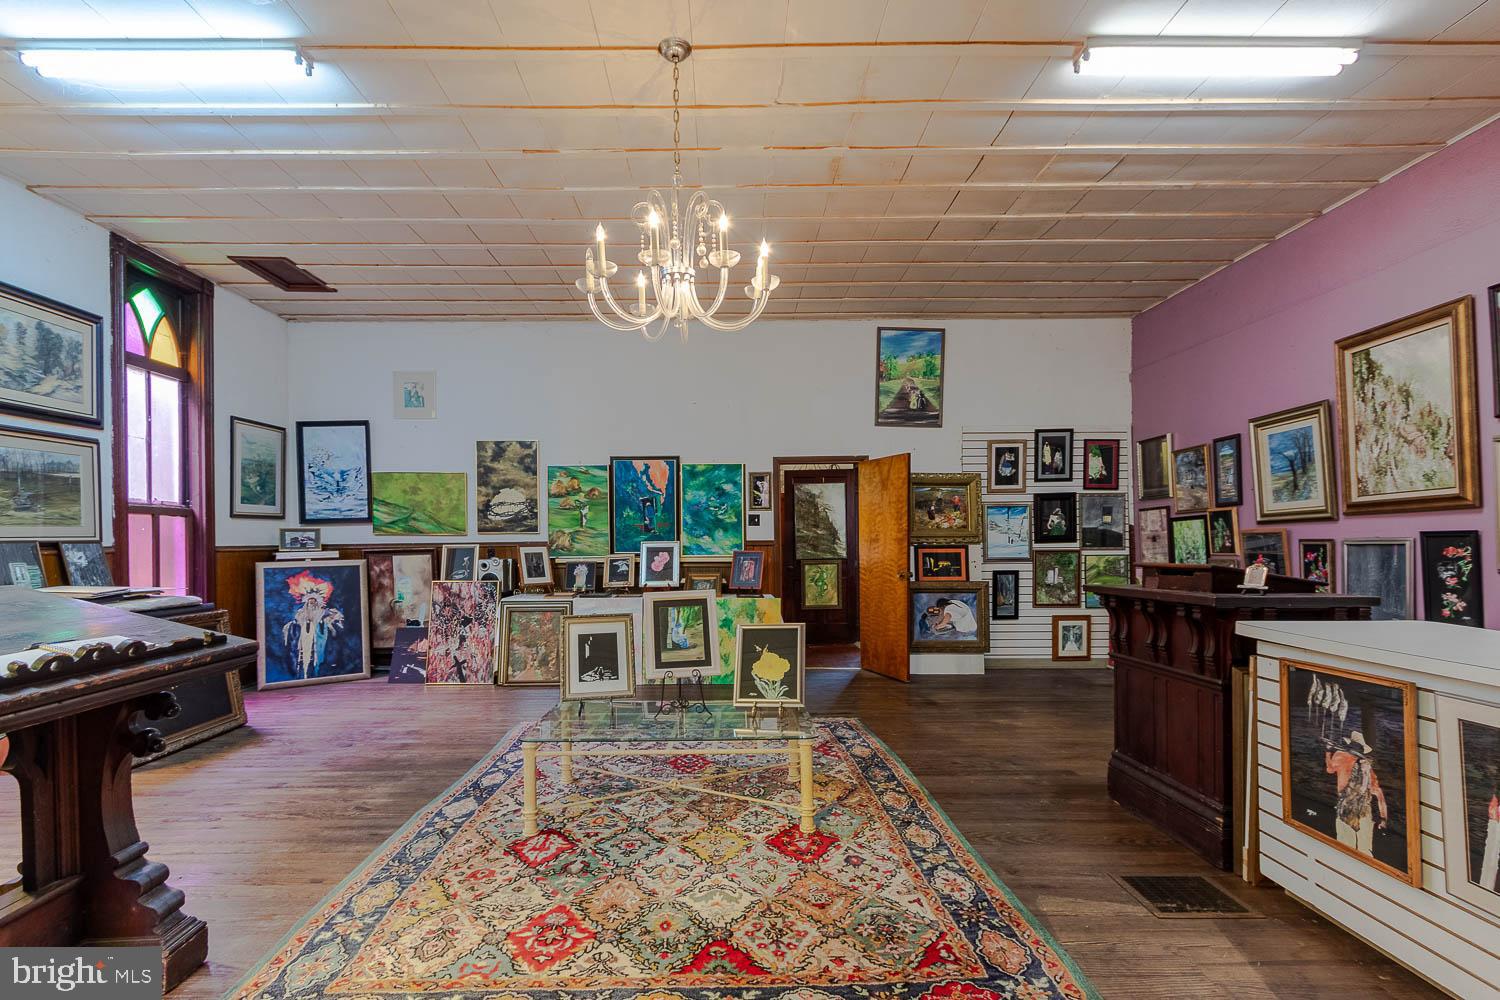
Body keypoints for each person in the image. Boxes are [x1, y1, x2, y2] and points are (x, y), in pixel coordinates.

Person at [1325, 731, 1389, 857]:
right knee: (1365, 850)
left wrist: (1328, 751)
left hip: (1345, 807)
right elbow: (1379, 794)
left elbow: (1329, 769)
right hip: (1364, 810)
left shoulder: (1339, 755)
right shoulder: (1367, 768)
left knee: (1344, 848)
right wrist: (1383, 818)